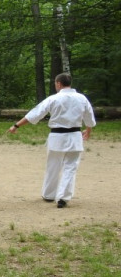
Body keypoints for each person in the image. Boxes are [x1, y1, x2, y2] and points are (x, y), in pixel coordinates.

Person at [8, 73, 96, 208]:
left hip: (57, 137)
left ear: (59, 83)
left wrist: (16, 125)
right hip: (74, 136)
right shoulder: (82, 98)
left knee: (53, 166)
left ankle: (49, 194)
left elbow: (35, 113)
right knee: (70, 167)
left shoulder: (53, 99)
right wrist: (88, 131)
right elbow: (89, 117)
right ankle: (63, 198)